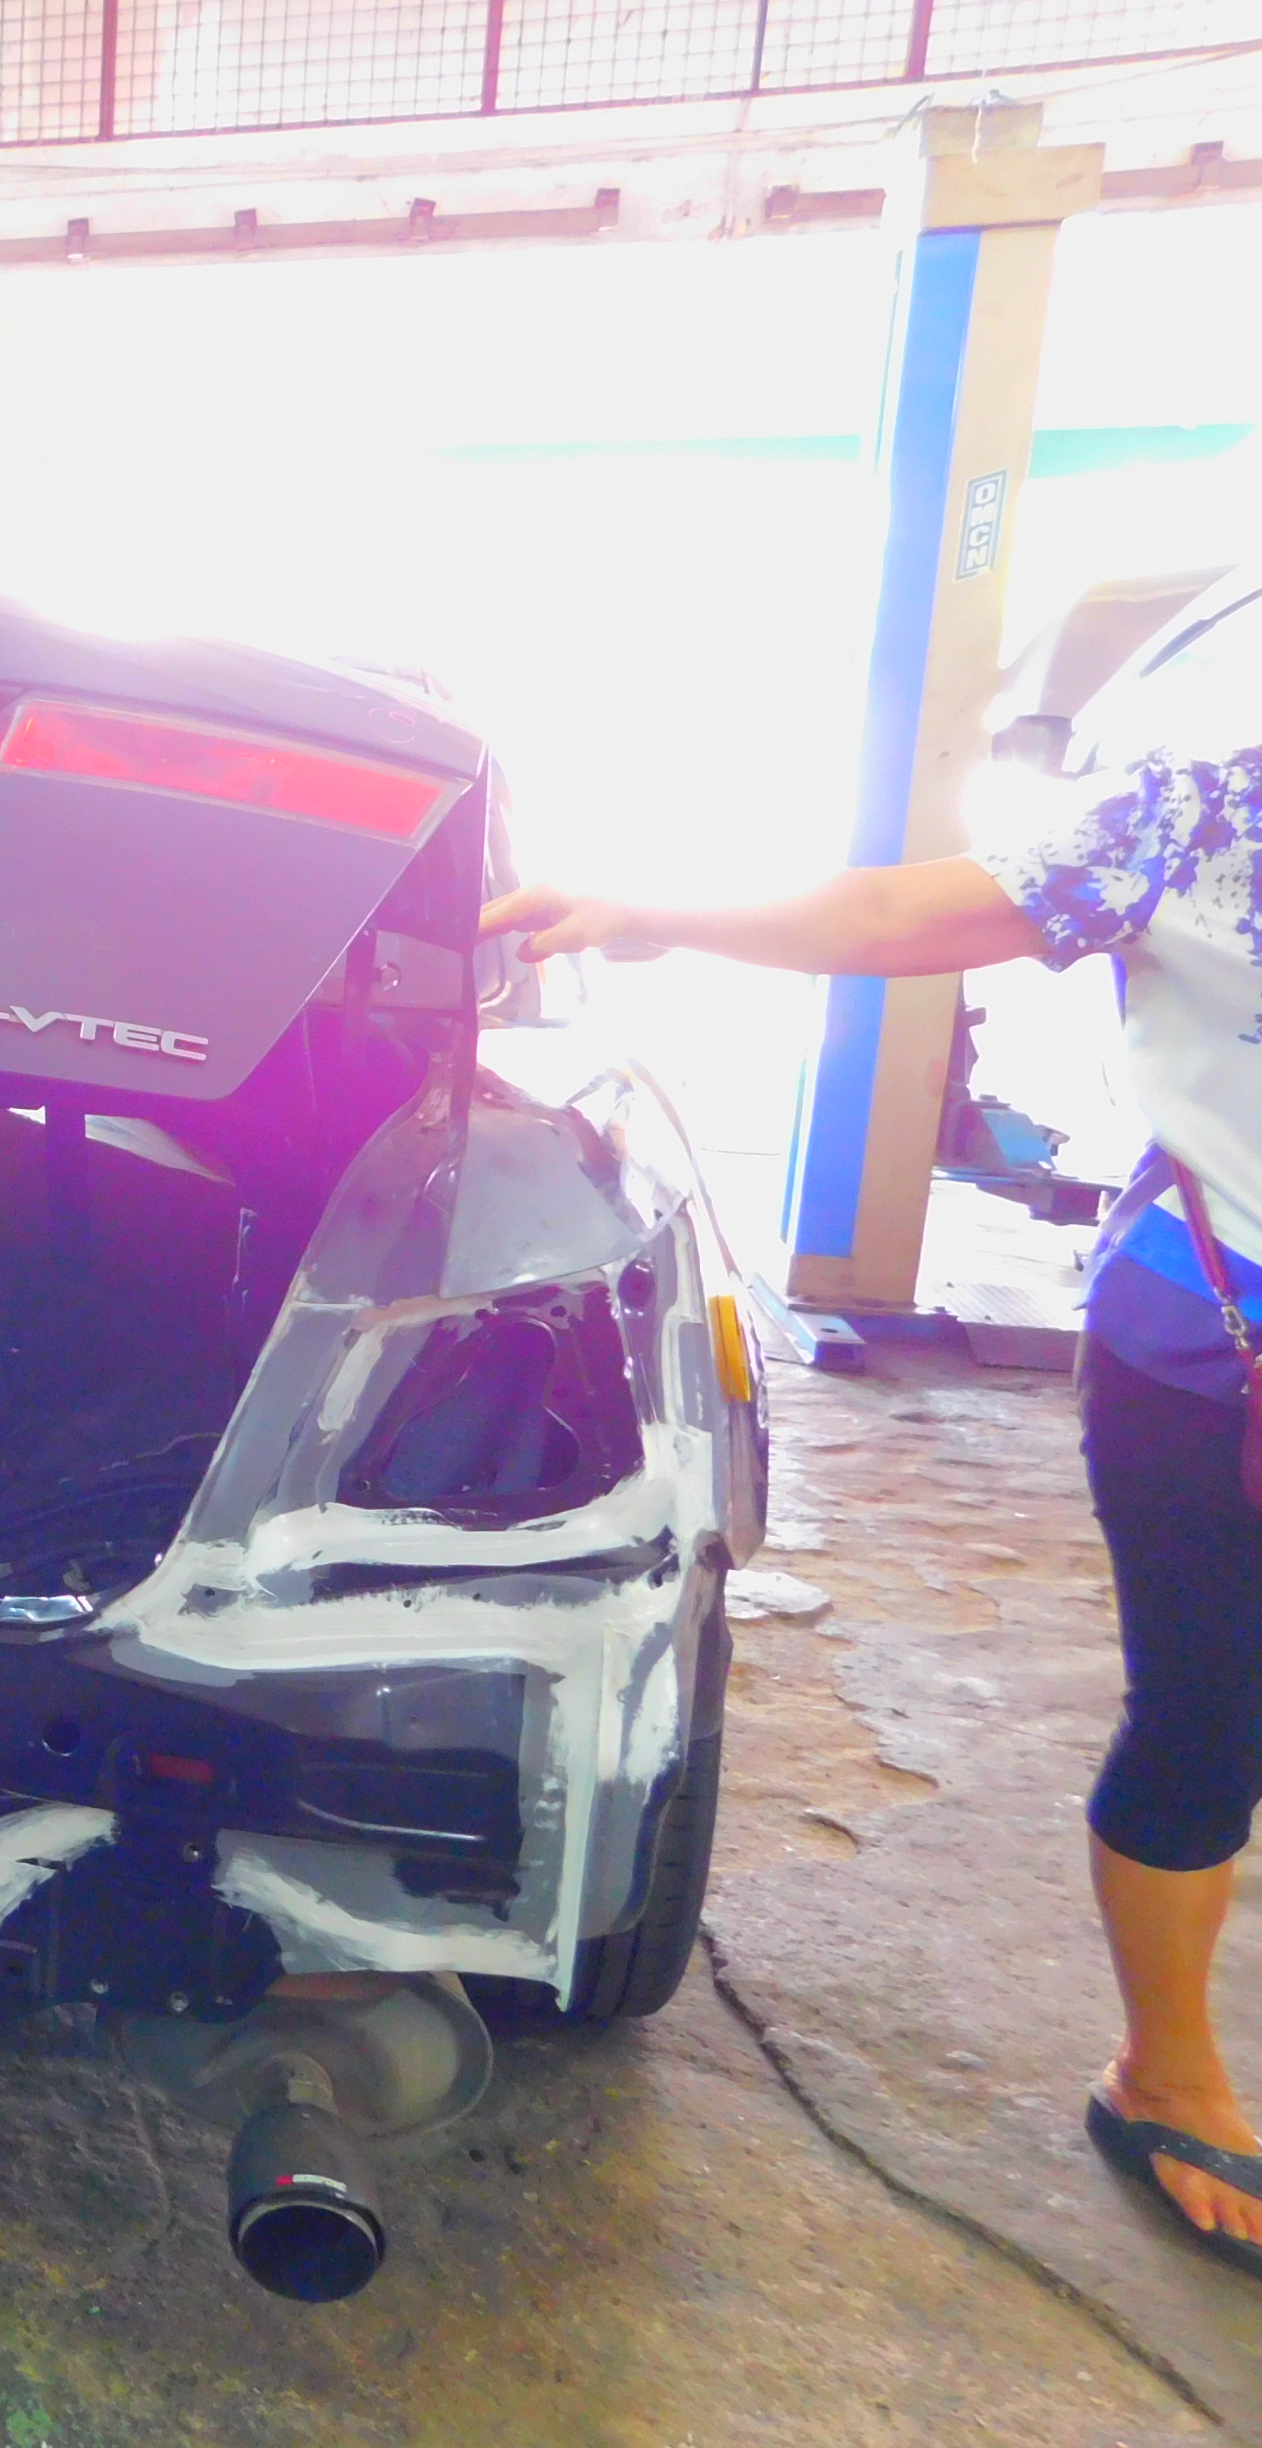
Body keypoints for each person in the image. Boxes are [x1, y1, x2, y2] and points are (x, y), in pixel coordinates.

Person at [484, 740, 1262, 2275]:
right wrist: (655, 910)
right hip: (1217, 1329)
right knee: (1212, 1712)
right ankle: (1167, 2074)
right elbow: (906, 912)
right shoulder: (1213, 799)